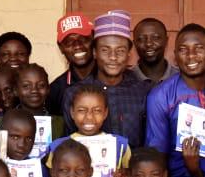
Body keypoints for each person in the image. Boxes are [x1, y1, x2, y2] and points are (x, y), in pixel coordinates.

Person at [146, 23, 205, 177]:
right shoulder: (161, 96)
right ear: (175, 56)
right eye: (184, 50)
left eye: (199, 48)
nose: (191, 56)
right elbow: (158, 155)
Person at [61, 10, 151, 148]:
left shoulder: (142, 91)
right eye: (105, 50)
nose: (113, 57)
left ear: (128, 53)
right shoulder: (74, 94)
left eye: (120, 50)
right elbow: (69, 146)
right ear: (95, 52)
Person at [49, 84, 130, 177]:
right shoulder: (57, 147)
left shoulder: (120, 145)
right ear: (72, 112)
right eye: (81, 110)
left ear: (105, 113)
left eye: (97, 111)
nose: (89, 117)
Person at [47, 13, 95, 115]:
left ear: (94, 40)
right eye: (69, 42)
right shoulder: (55, 90)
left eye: (83, 39)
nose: (77, 46)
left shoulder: (109, 80)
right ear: (61, 48)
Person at [15, 63, 65, 150]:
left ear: (48, 89)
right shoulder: (3, 123)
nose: (34, 90)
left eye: (41, 85)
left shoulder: (60, 123)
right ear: (15, 90)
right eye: (26, 86)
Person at [131, 18, 178, 85]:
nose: (148, 43)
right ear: (134, 43)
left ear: (166, 41)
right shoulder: (125, 79)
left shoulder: (181, 78)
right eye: (141, 39)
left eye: (155, 38)